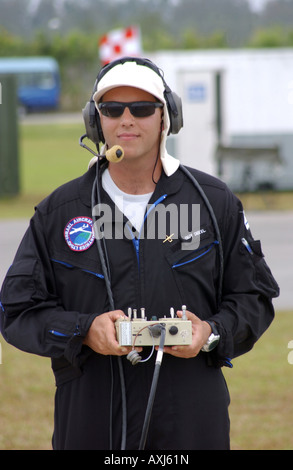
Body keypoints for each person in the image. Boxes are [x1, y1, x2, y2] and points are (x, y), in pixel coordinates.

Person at [0, 57, 279, 451]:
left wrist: (210, 333)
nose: (126, 120)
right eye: (112, 109)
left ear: (167, 117)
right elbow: (17, 311)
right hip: (91, 425)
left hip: (191, 426)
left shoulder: (215, 203)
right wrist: (83, 330)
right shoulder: (58, 212)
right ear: (95, 121)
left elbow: (254, 298)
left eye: (142, 108)